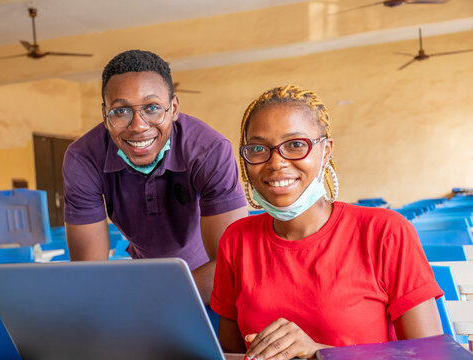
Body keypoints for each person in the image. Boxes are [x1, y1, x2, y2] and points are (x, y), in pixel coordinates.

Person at [210, 85, 443, 359]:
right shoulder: (237, 239)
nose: (276, 163)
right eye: (259, 148)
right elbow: (229, 354)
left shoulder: (385, 232)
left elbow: (432, 356)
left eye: (296, 145)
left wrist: (318, 353)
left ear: (326, 151)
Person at [62, 50, 247, 303]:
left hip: (210, 284)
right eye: (120, 111)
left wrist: (152, 304)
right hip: (144, 280)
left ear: (173, 108)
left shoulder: (209, 150)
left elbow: (230, 265)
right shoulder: (83, 158)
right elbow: (89, 272)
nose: (138, 125)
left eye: (152, 108)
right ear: (105, 115)